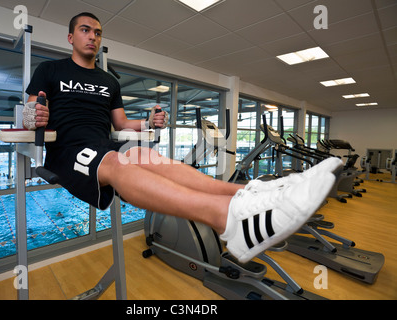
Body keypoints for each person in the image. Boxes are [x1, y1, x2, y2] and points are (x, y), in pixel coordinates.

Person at [24, 12, 341, 263]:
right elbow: (27, 113)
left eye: (97, 32)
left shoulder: (108, 81)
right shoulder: (50, 70)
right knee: (119, 167)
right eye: (85, 30)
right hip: (68, 147)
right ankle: (224, 219)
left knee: (154, 158)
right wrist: (34, 117)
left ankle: (248, 194)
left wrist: (148, 121)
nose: (92, 36)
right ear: (70, 37)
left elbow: (120, 122)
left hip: (103, 141)